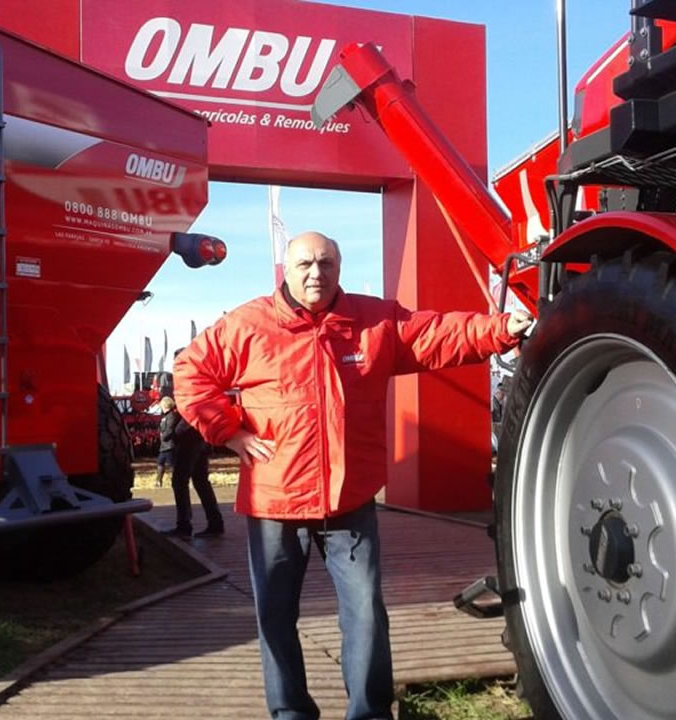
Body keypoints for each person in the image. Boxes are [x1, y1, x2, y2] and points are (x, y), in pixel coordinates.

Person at [174, 231, 532, 720]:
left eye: (326, 263)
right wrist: (229, 432)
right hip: (275, 501)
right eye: (304, 264)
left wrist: (502, 328)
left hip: (350, 498)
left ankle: (369, 712)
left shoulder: (373, 320)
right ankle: (290, 711)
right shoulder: (248, 325)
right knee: (275, 618)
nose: (315, 273)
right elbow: (190, 372)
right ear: (286, 269)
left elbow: (438, 334)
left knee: (365, 615)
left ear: (339, 268)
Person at [164, 348, 225, 539]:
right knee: (200, 479)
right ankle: (215, 522)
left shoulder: (189, 380)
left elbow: (190, 408)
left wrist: (177, 430)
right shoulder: (203, 379)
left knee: (179, 480)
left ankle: (184, 525)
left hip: (190, 436)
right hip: (201, 435)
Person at [155, 396, 177, 487]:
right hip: (164, 445)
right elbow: (161, 428)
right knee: (160, 462)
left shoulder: (171, 416)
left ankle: (176, 481)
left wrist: (163, 436)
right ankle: (158, 481)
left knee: (172, 464)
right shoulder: (164, 417)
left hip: (170, 445)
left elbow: (170, 429)